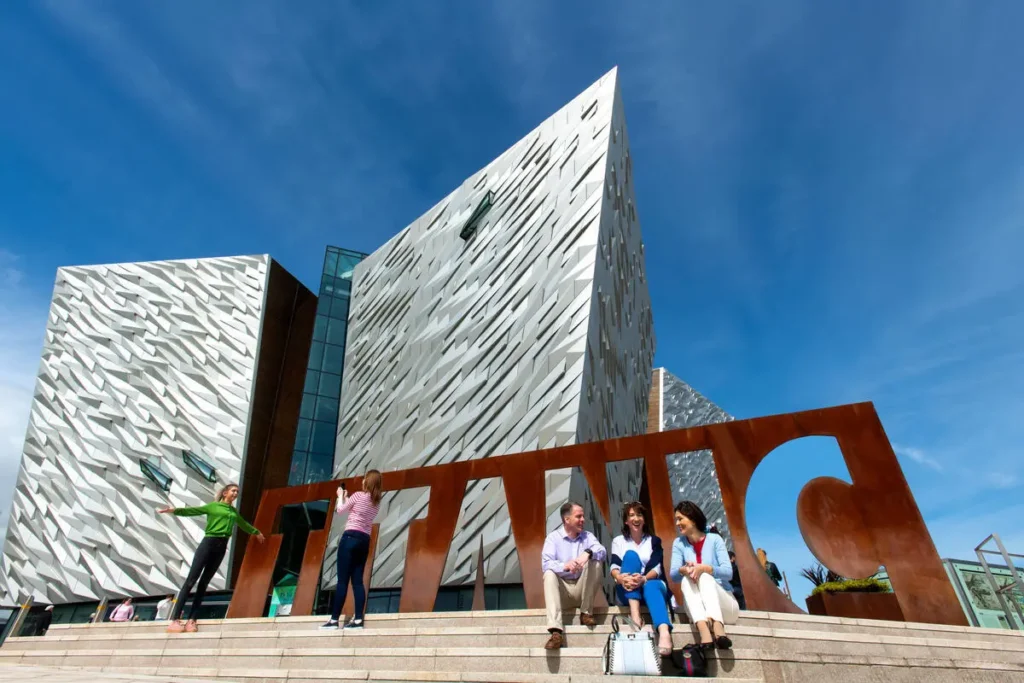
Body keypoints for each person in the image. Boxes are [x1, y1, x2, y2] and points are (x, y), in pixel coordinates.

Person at [158, 483, 264, 633]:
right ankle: (175, 620)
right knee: (191, 581)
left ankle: (192, 620)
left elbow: (242, 523)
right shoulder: (213, 506)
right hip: (208, 543)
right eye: (233, 491)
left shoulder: (233, 511)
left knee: (204, 583)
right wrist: (174, 510)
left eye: (237, 492)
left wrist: (256, 532)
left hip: (221, 546)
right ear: (225, 492)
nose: (235, 494)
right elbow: (192, 511)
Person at [670, 500, 738, 651]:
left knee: (705, 576)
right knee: (686, 580)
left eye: (680, 519)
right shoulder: (679, 544)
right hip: (697, 606)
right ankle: (704, 631)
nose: (677, 523)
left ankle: (718, 627)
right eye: (676, 519)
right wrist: (684, 570)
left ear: (692, 519)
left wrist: (705, 568)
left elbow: (728, 572)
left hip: (725, 605)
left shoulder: (715, 540)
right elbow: (674, 574)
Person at [320, 470, 384, 630]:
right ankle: (358, 621)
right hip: (364, 540)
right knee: (357, 581)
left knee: (342, 581)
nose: (362, 481)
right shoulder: (376, 503)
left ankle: (334, 620)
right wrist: (345, 498)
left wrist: (340, 495)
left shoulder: (358, 496)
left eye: (364, 478)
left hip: (349, 537)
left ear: (367, 481)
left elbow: (340, 510)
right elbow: (356, 511)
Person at [541, 501, 606, 650]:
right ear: (567, 519)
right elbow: (546, 563)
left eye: (583, 516)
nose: (583, 520)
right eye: (579, 516)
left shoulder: (587, 536)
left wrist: (587, 553)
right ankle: (556, 632)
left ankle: (586, 613)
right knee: (549, 574)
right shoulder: (553, 538)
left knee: (595, 561)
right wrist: (565, 565)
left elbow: (602, 551)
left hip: (582, 589)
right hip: (563, 591)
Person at [609, 502, 672, 656]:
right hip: (628, 589)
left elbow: (657, 569)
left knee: (651, 585)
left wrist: (643, 579)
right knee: (630, 556)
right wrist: (620, 578)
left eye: (639, 515)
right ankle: (636, 616)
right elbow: (614, 566)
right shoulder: (619, 541)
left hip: (652, 585)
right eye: (631, 515)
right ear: (626, 521)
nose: (636, 518)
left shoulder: (654, 541)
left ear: (644, 519)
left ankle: (664, 633)